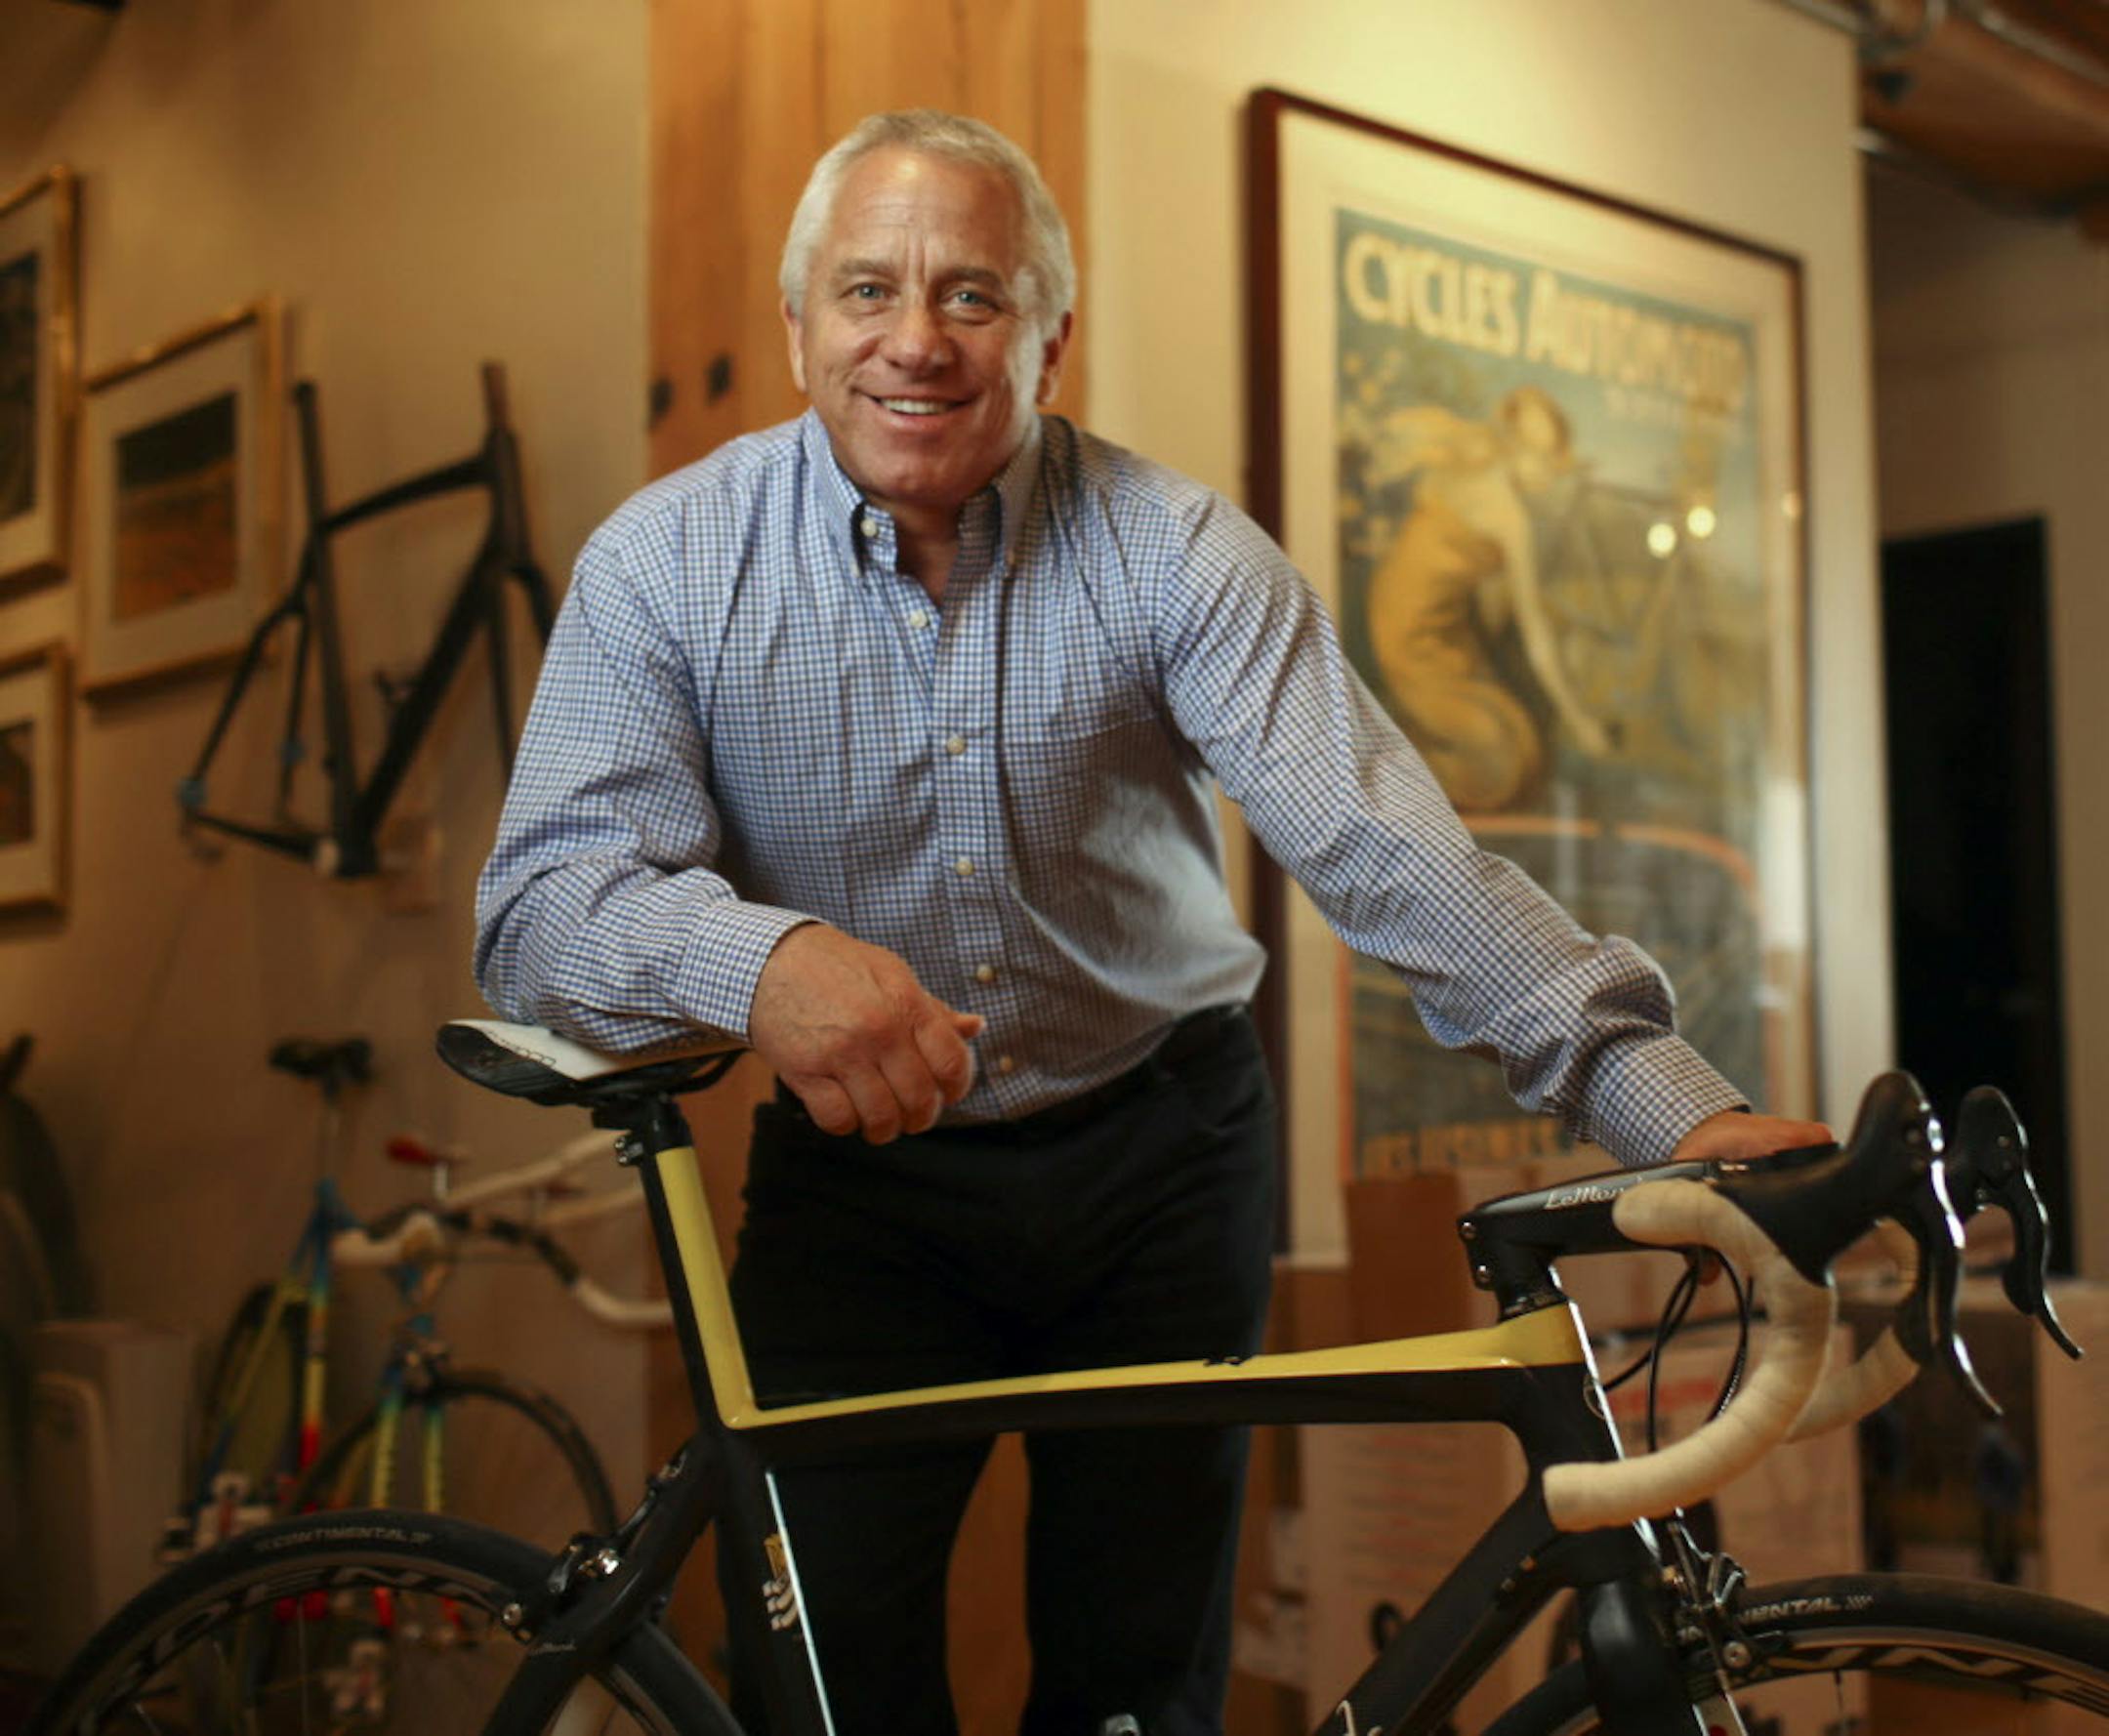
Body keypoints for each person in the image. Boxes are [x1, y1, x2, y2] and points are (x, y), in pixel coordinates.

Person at [475, 109, 1830, 1736]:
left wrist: (1667, 1104)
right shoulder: (666, 566)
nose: (915, 339)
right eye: (864, 293)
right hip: (862, 1187)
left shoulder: (1170, 549)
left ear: (1053, 332)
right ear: (795, 328)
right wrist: (759, 961)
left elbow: (1386, 848)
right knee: (822, 1683)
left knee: (1138, 1690)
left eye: (973, 295)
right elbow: (543, 902)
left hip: (1164, 1165)